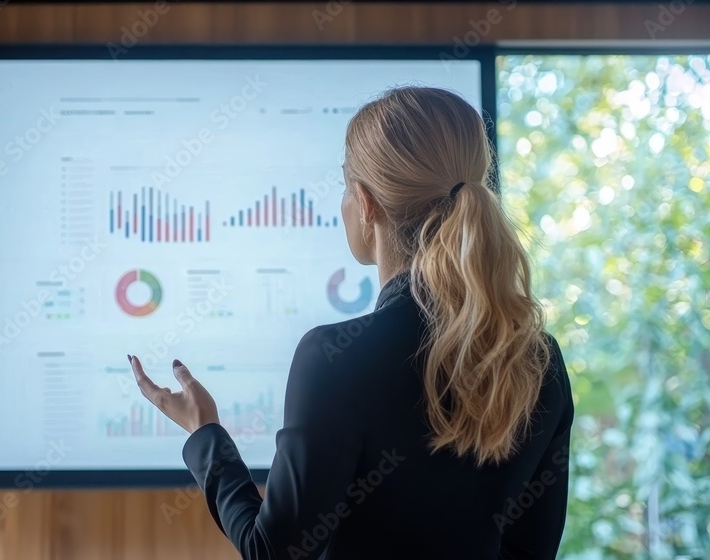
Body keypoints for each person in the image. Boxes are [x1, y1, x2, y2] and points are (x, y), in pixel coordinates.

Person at [129, 86, 574, 560]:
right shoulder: (536, 360)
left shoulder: (334, 358)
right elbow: (533, 551)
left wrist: (205, 434)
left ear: (365, 204)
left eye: (344, 185)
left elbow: (274, 552)